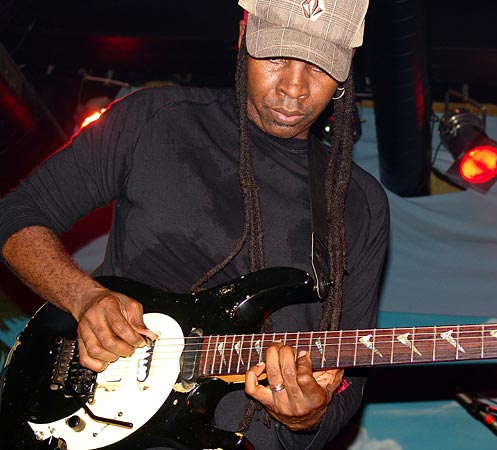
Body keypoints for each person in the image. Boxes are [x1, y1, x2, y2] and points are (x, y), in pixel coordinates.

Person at [0, 0, 389, 449]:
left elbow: (349, 379)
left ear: (346, 70)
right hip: (101, 422)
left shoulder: (359, 202)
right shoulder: (156, 118)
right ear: (243, 38)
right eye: (277, 56)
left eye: (319, 67)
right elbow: (17, 213)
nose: (294, 87)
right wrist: (83, 296)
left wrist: (311, 416)